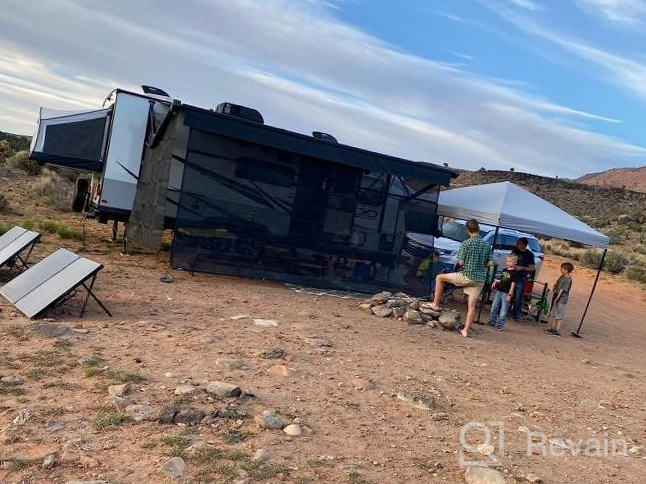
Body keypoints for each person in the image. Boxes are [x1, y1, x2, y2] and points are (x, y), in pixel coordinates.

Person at [429, 219, 493, 338]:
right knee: (472, 305)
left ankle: (435, 304)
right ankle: (466, 330)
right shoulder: (487, 245)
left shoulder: (466, 243)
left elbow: (461, 262)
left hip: (467, 275)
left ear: (467, 230)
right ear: (478, 229)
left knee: (439, 278)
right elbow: (490, 263)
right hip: (480, 279)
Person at [488, 255, 518, 330]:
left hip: (506, 292)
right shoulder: (505, 270)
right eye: (507, 261)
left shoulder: (514, 273)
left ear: (515, 263)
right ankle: (492, 321)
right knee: (494, 306)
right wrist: (496, 282)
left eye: (510, 261)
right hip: (499, 290)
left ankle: (500, 324)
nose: (508, 262)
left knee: (504, 309)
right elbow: (502, 279)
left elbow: (513, 284)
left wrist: (510, 294)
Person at [511, 237, 536, 320]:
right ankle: (504, 310)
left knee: (518, 297)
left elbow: (533, 268)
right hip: (512, 275)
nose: (517, 245)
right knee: (507, 293)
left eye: (519, 243)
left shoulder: (529, 254)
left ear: (524, 245)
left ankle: (515, 315)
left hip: (521, 277)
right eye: (517, 243)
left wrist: (522, 268)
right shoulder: (515, 251)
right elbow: (509, 259)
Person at [547, 262, 574, 337]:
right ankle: (553, 328)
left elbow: (562, 290)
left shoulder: (568, 280)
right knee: (555, 313)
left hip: (562, 299)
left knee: (559, 315)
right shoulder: (562, 276)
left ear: (566, 270)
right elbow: (557, 283)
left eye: (562, 268)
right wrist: (554, 288)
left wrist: (557, 298)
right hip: (557, 296)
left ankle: (557, 330)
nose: (560, 270)